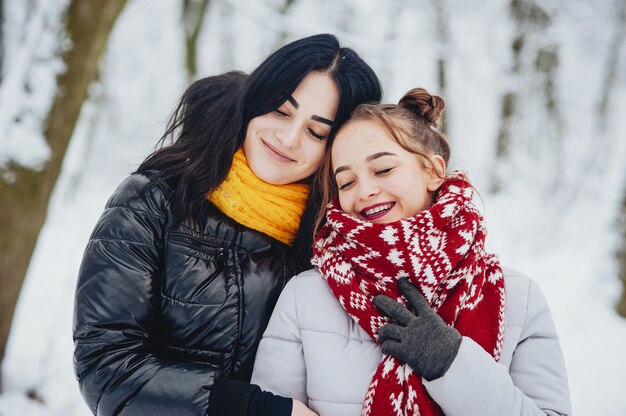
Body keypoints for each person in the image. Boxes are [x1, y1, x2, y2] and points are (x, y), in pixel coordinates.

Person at [73, 33, 382, 416]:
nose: (288, 139)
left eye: (316, 131)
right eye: (281, 112)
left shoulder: (333, 242)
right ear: (255, 102)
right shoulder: (153, 201)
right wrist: (253, 409)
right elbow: (105, 369)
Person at [251, 88, 572, 415]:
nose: (365, 191)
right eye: (346, 182)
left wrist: (451, 363)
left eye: (383, 170)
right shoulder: (306, 296)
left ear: (433, 171)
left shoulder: (518, 297)